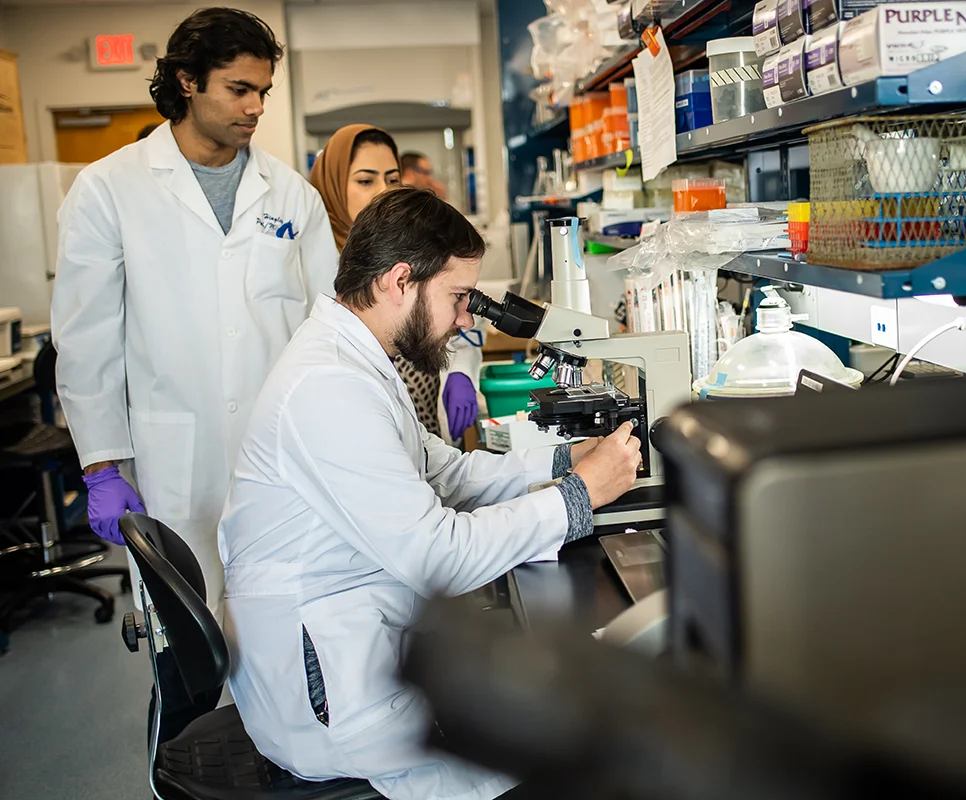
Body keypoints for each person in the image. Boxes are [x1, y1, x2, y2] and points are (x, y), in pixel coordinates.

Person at [219, 187, 641, 800]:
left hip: (357, 633)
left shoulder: (356, 357)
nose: (467, 320)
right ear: (398, 281)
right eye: (458, 297)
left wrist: (564, 460)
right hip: (331, 693)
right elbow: (437, 555)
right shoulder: (328, 386)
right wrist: (578, 496)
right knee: (565, 755)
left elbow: (443, 472)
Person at [51, 7, 337, 741]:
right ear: (186, 82)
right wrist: (101, 464)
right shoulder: (110, 187)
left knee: (289, 645)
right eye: (239, 89)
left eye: (264, 92)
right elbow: (85, 340)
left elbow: (329, 327)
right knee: (191, 658)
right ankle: (178, 772)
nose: (256, 108)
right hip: (170, 463)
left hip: (282, 461)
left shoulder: (291, 196)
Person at [311, 127, 479, 442]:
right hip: (365, 431)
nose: (383, 191)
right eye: (365, 181)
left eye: (391, 179)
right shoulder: (315, 265)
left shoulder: (411, 246)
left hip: (426, 430)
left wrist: (460, 372)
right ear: (333, 186)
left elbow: (458, 319)